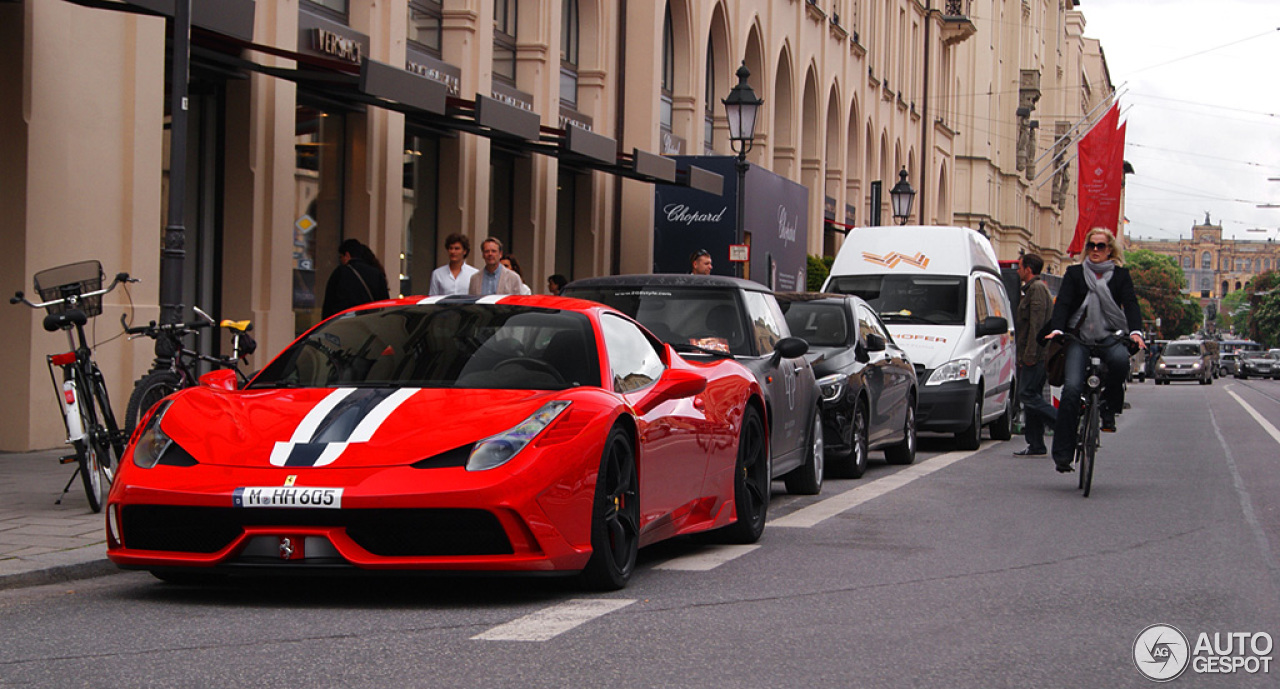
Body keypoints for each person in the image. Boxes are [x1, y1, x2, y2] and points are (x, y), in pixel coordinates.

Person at [1043, 228, 1145, 473]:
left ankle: (1108, 409)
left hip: (1109, 337)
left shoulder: (1120, 276)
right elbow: (1064, 304)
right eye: (1092, 246)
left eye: (1101, 246)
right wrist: (1058, 329)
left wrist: (1136, 331)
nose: (1096, 250)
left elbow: (1130, 304)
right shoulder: (1075, 274)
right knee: (1071, 391)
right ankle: (1063, 455)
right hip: (1078, 338)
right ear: (1086, 249)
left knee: (1120, 361)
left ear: (1110, 249)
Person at [1012, 253, 1057, 457]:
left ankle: (1062, 423)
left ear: (1029, 269)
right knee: (1033, 396)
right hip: (1035, 354)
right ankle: (1036, 443)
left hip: (1036, 355)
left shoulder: (1036, 290)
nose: (1018, 270)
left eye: (1020, 267)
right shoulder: (1034, 289)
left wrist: (1029, 355)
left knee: (1027, 394)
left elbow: (1036, 326)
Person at [322, 238, 390, 319]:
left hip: (345, 322)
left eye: (341, 257)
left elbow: (329, 304)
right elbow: (384, 303)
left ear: (347, 255)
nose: (341, 260)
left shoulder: (340, 273)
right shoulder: (376, 273)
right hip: (369, 322)